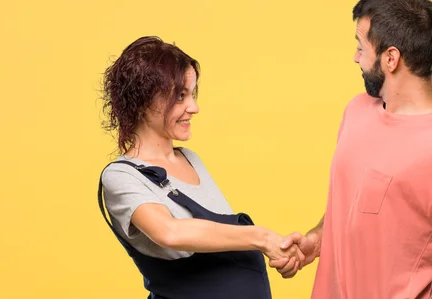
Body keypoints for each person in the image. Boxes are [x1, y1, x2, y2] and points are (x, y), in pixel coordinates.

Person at [269, 0, 432, 298]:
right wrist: (317, 239)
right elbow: (354, 204)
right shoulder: (357, 111)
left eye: (361, 46)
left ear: (390, 58)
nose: (355, 57)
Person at [97, 36, 303, 299]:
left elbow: (222, 245)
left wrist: (280, 253)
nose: (194, 107)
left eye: (192, 94)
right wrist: (262, 238)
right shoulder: (121, 177)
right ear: (143, 102)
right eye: (179, 96)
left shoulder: (190, 159)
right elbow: (170, 233)